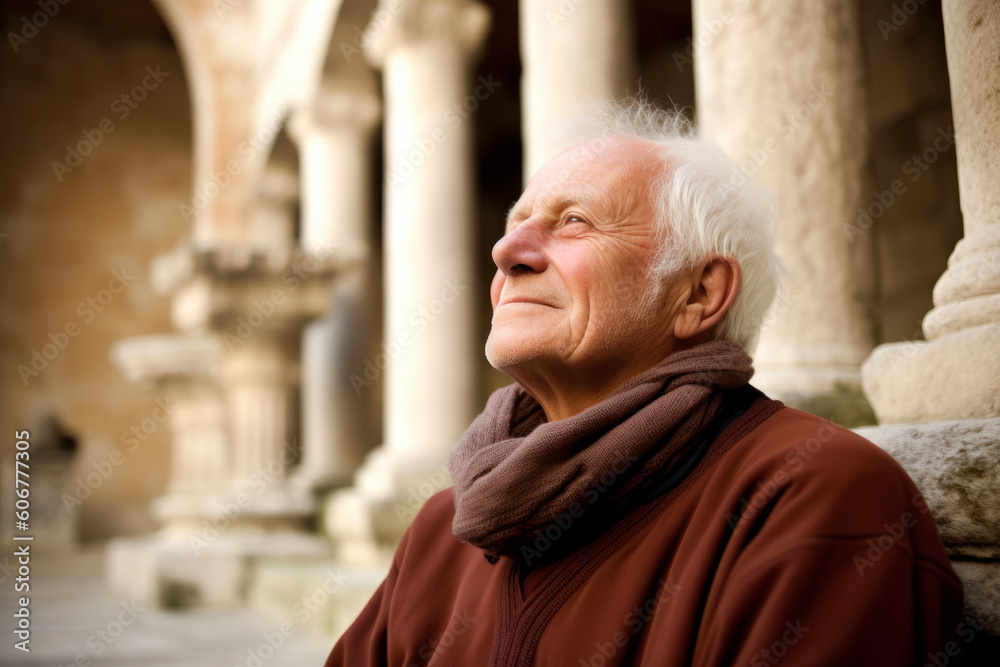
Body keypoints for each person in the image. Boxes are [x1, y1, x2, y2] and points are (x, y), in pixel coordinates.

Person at [324, 99, 965, 666]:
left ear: (698, 293)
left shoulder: (813, 494)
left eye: (574, 221)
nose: (506, 251)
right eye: (515, 223)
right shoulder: (443, 528)